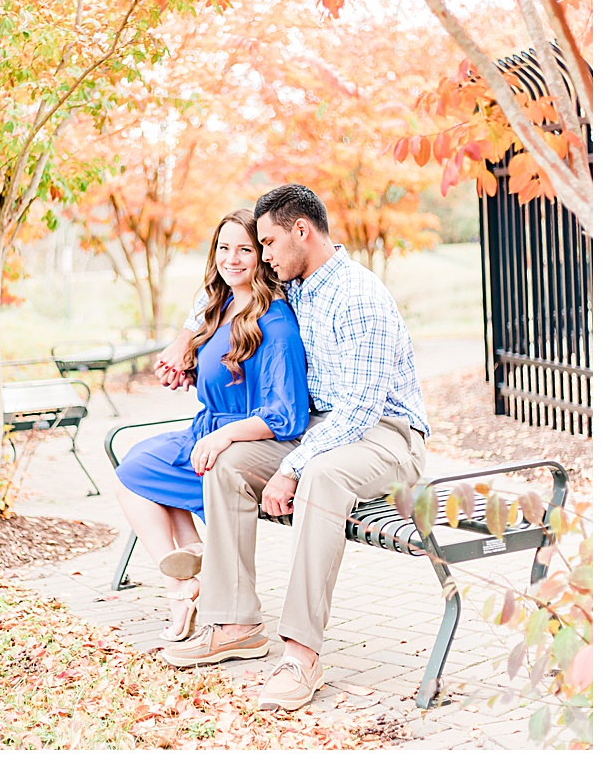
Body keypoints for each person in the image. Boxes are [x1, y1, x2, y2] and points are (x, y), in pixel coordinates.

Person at [154, 185, 429, 713]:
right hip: (322, 432)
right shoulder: (297, 284)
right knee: (229, 464)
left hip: (387, 436)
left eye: (269, 243)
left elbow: (358, 411)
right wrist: (185, 342)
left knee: (322, 476)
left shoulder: (359, 296)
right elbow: (218, 293)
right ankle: (234, 621)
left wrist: (292, 468)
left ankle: (301, 656)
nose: (264, 255)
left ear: (302, 232)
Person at [114, 209, 308, 642]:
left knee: (139, 475)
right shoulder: (218, 307)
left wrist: (226, 435)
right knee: (135, 468)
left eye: (245, 249)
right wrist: (191, 372)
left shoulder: (275, 324)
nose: (232, 259)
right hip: (204, 431)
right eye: (224, 248)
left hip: (239, 443)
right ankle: (183, 582)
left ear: (262, 256)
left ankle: (185, 585)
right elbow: (222, 367)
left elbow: (286, 415)